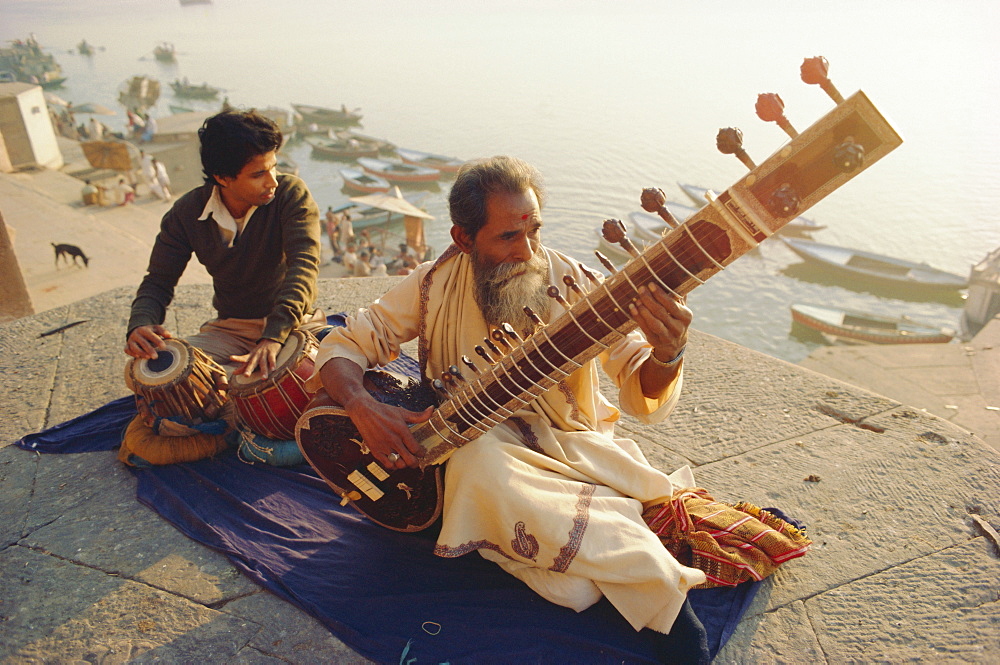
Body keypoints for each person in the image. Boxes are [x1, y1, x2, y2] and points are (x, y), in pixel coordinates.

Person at [307, 155, 704, 634]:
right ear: (463, 238)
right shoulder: (434, 282)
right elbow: (346, 341)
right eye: (509, 237)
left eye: (534, 230)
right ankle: (634, 573)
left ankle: (658, 594)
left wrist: (667, 352)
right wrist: (360, 405)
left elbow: (640, 382)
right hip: (469, 442)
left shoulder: (579, 286)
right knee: (492, 469)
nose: (528, 250)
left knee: (508, 501)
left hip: (567, 450)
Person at [124, 109, 325, 418]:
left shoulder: (290, 195)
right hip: (229, 330)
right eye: (258, 174)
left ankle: (228, 391)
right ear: (222, 178)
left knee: (265, 389)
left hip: (292, 325)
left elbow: (304, 266)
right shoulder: (186, 213)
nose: (272, 181)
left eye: (274, 167)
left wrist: (273, 337)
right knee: (146, 371)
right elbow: (158, 280)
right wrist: (141, 325)